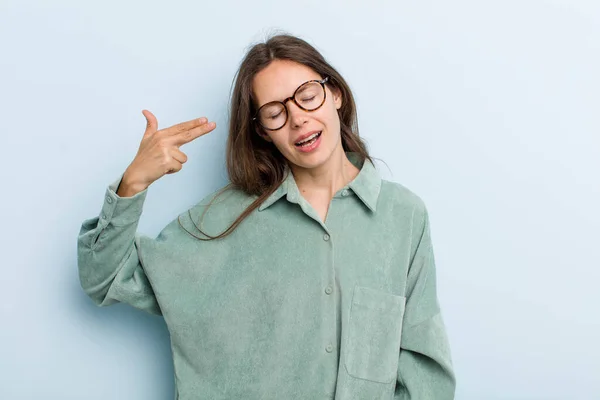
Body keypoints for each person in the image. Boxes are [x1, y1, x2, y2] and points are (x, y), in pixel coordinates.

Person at [77, 33, 455, 400]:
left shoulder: (404, 217)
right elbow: (104, 278)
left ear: (335, 94)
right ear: (262, 131)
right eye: (276, 113)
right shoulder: (225, 218)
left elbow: (425, 376)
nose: (298, 120)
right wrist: (133, 183)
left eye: (308, 96)